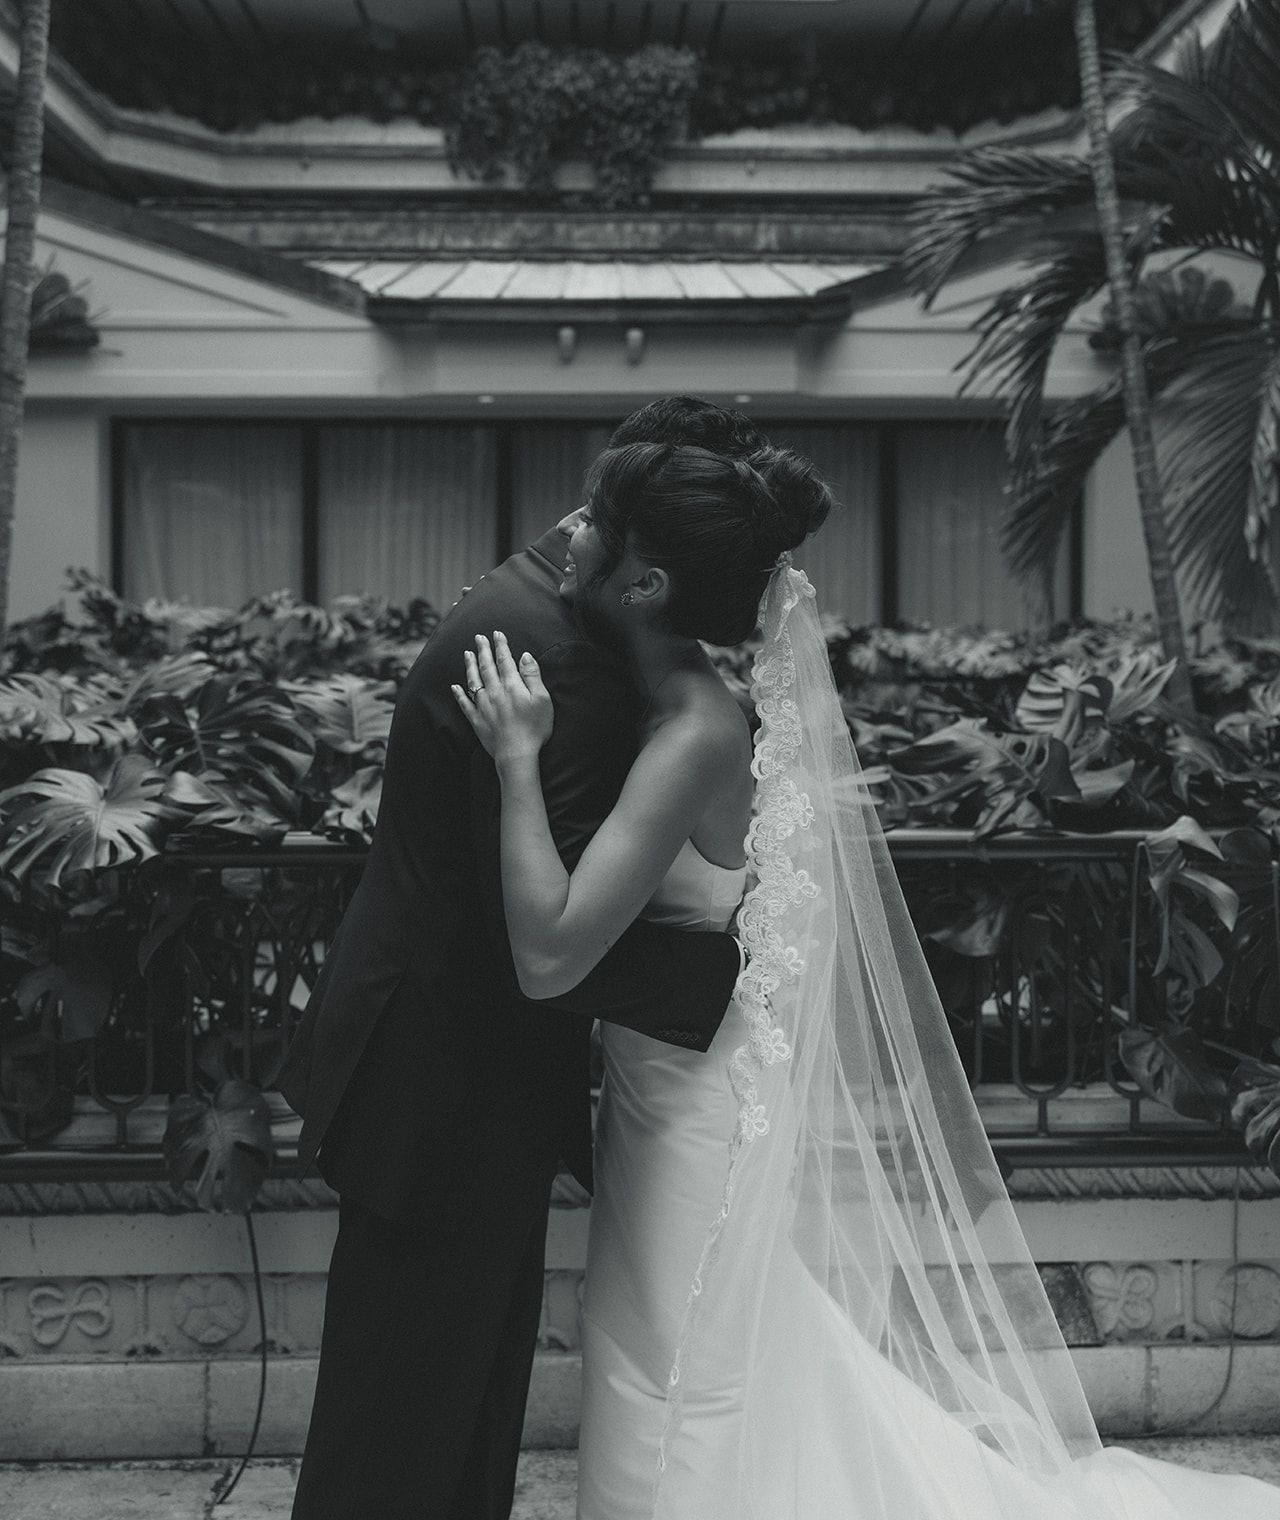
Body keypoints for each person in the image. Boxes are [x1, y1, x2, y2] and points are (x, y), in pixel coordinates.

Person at [460, 437, 1280, 1520]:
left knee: (675, 1361)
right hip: (669, 1087)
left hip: (696, 1112)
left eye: (593, 523)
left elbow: (549, 951)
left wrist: (516, 760)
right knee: (657, 1343)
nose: (569, 531)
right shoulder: (668, 701)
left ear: (645, 582)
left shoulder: (695, 733)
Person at [277, 402, 754, 1520]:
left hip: (470, 1074)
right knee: (402, 1418)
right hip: (441, 1085)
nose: (573, 520)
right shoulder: (561, 671)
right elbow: (543, 947)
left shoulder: (569, 631)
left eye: (603, 508)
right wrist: (720, 986)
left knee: (458, 1401)